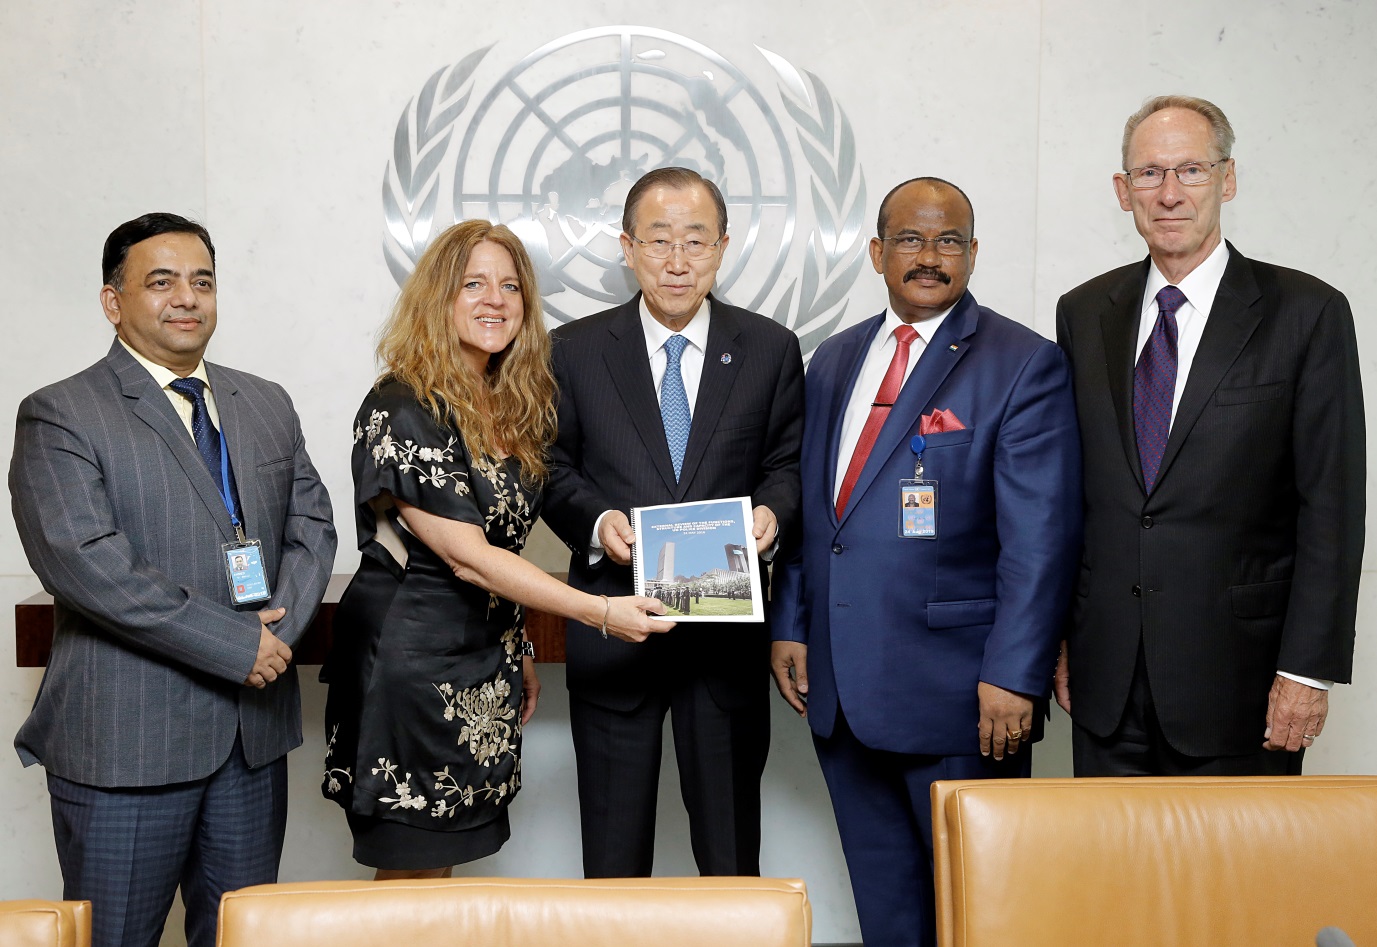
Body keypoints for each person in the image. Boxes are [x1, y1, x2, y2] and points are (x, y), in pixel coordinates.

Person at [9, 212, 337, 947]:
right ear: (112, 300)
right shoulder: (62, 413)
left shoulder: (265, 402)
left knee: (239, 938)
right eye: (160, 282)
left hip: (250, 743)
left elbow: (312, 528)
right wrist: (235, 643)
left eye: (202, 281)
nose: (186, 297)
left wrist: (274, 638)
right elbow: (88, 564)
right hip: (128, 743)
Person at [770, 178, 1081, 947]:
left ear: (972, 254)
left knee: (979, 914)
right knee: (888, 912)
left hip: (960, 700)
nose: (929, 257)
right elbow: (819, 515)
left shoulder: (1022, 363)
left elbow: (1041, 540)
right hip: (841, 692)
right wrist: (791, 623)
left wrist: (1015, 673)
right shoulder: (836, 360)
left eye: (949, 241)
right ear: (877, 253)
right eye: (910, 239)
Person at [321, 220, 669, 879]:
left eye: (510, 285)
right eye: (473, 283)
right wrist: (599, 613)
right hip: (410, 671)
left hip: (481, 663)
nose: (495, 299)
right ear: (438, 298)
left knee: (440, 875)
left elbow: (503, 543)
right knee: (409, 880)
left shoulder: (507, 401)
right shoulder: (403, 403)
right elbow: (467, 556)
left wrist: (519, 645)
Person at [1054, 95, 1365, 776]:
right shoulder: (1082, 312)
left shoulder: (1306, 314)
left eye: (1190, 171)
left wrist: (1307, 672)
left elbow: (1331, 508)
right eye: (1148, 174)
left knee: (1232, 884)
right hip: (1105, 685)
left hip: (1243, 688)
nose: (1168, 194)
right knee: (1107, 880)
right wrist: (1061, 637)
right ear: (1121, 189)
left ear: (1226, 179)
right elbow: (1075, 496)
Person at [542, 167, 804, 878]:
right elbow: (549, 466)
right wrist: (596, 522)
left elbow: (786, 461)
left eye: (695, 240)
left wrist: (772, 514)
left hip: (723, 643)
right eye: (658, 241)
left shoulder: (770, 348)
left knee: (728, 855)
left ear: (723, 246)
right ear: (626, 247)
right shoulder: (569, 350)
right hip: (614, 632)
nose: (677, 260)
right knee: (613, 856)